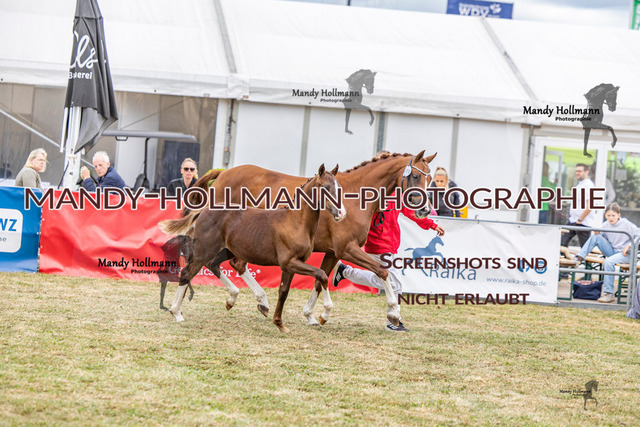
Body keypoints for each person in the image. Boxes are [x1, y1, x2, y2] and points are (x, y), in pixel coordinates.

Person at [332, 152, 445, 332]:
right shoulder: (372, 195)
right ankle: (393, 321)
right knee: (395, 283)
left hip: (391, 244)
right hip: (378, 244)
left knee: (382, 281)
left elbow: (410, 212)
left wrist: (431, 224)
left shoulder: (397, 193)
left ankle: (345, 272)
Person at [575, 203, 640, 303]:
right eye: (608, 215)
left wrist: (629, 245)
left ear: (618, 215)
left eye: (613, 215)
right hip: (613, 252)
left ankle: (609, 294)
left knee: (608, 262)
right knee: (596, 236)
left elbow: (639, 234)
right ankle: (579, 258)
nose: (611, 218)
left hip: (626, 254)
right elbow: (602, 239)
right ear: (605, 215)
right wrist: (598, 233)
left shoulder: (626, 224)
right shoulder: (605, 225)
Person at [560, 163, 598, 248]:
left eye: (580, 171)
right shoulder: (580, 184)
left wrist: (580, 219)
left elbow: (590, 205)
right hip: (573, 220)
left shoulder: (589, 185)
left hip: (583, 222)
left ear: (586, 172)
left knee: (585, 248)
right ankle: (564, 256)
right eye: (576, 171)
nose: (577, 173)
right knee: (562, 243)